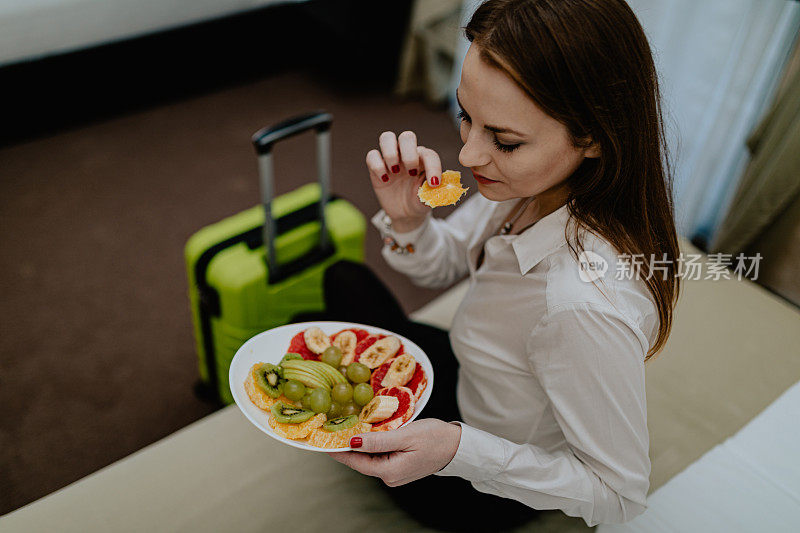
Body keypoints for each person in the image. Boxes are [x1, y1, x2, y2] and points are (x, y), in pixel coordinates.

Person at [297, 0, 681, 529]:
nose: (469, 157)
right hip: (472, 375)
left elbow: (619, 495)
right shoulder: (530, 184)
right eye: (465, 117)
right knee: (342, 282)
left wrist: (458, 451)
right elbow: (448, 262)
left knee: (305, 331)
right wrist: (408, 220)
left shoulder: (582, 306)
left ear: (592, 136)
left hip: (482, 478)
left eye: (503, 140)